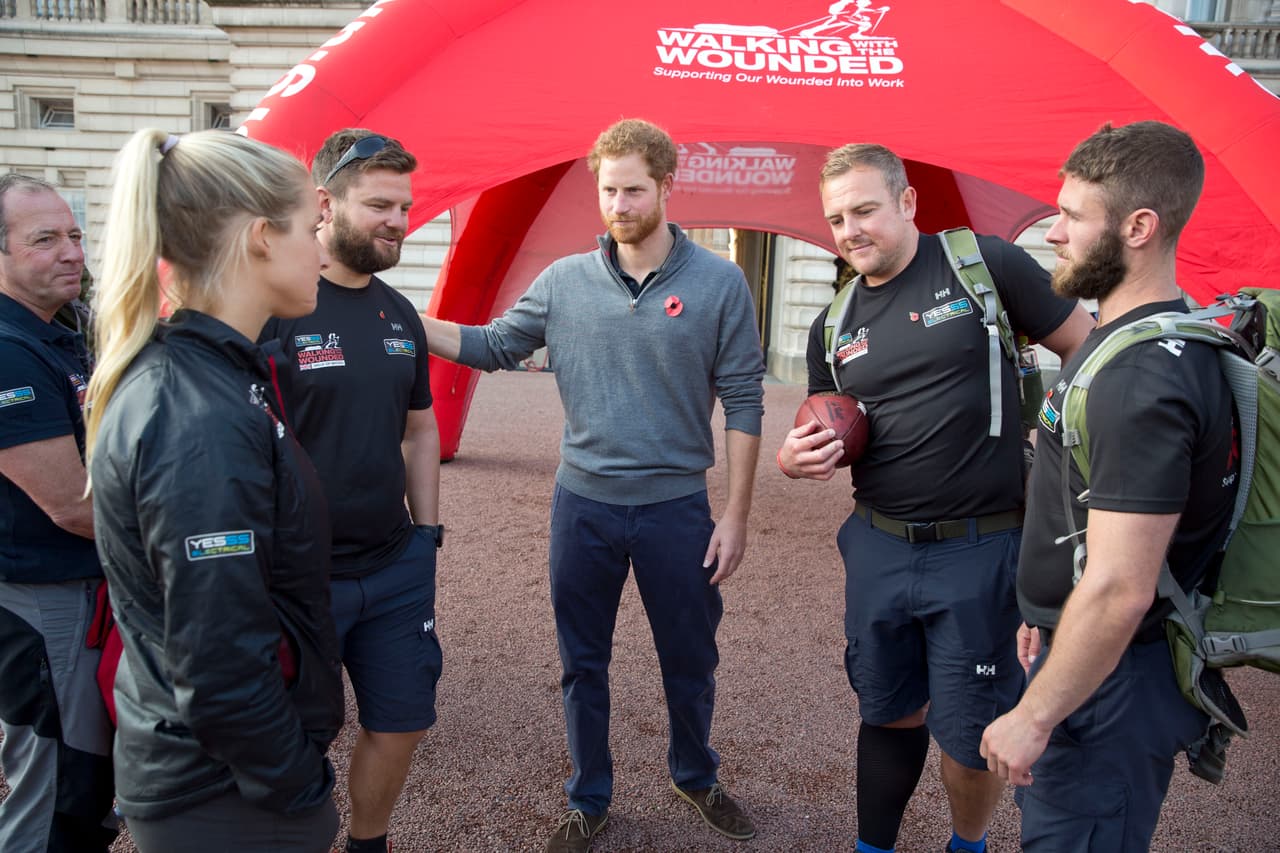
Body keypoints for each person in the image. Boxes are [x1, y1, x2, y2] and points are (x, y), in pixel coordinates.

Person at [423, 118, 765, 853]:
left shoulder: (720, 283)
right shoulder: (563, 282)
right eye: (608, 190)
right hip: (583, 505)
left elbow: (744, 400)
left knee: (692, 656)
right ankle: (589, 796)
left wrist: (735, 514)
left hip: (678, 507)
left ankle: (695, 774)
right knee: (583, 661)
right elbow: (492, 345)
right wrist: (407, 319)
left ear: (668, 185)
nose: (619, 203)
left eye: (634, 189)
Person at [776, 143, 1094, 853]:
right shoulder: (832, 324)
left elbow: (1087, 347)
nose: (850, 228)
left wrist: (1047, 432)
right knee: (886, 712)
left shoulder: (982, 266)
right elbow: (822, 420)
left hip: (981, 547)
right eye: (836, 218)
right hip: (879, 542)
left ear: (906, 201)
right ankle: (872, 846)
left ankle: (967, 845)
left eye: (864, 209)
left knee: (969, 732)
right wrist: (795, 457)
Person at [980, 121, 1239, 851]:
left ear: (1138, 226)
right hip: (1092, 656)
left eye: (1071, 216)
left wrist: (1032, 717)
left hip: (1112, 686)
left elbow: (1123, 586)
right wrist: (1045, 606)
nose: (1053, 232)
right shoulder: (1140, 333)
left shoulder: (1141, 379)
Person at [83, 129, 343, 851]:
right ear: (262, 237)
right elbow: (219, 658)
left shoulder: (213, 376)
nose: (323, 252)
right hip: (224, 795)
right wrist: (298, 788)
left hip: (217, 779)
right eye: (311, 228)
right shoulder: (197, 412)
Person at [259, 128, 442, 853]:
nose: (398, 219)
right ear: (325, 203)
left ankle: (370, 844)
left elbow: (420, 430)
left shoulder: (399, 314)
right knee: (296, 735)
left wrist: (427, 536)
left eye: (404, 205)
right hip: (299, 579)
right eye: (380, 205)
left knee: (401, 724)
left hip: (395, 569)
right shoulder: (278, 308)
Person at [0, 174, 115, 852]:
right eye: (44, 240)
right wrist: (190, 531)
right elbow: (73, 506)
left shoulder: (57, 331)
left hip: (82, 595)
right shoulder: (9, 349)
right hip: (45, 604)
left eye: (73, 235)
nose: (71, 252)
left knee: (90, 789)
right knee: (54, 794)